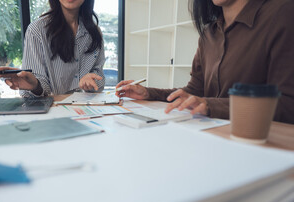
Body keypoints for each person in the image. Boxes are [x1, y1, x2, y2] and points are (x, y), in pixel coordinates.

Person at [116, 0, 294, 124]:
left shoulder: (283, 13)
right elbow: (195, 92)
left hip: (259, 144)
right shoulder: (209, 33)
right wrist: (148, 93)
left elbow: (287, 103)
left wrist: (211, 106)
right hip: (211, 134)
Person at [0, 0, 105, 97]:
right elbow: (37, 86)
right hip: (53, 111)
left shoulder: (94, 33)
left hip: (87, 110)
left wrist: (91, 80)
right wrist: (35, 85)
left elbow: (99, 74)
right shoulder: (37, 31)